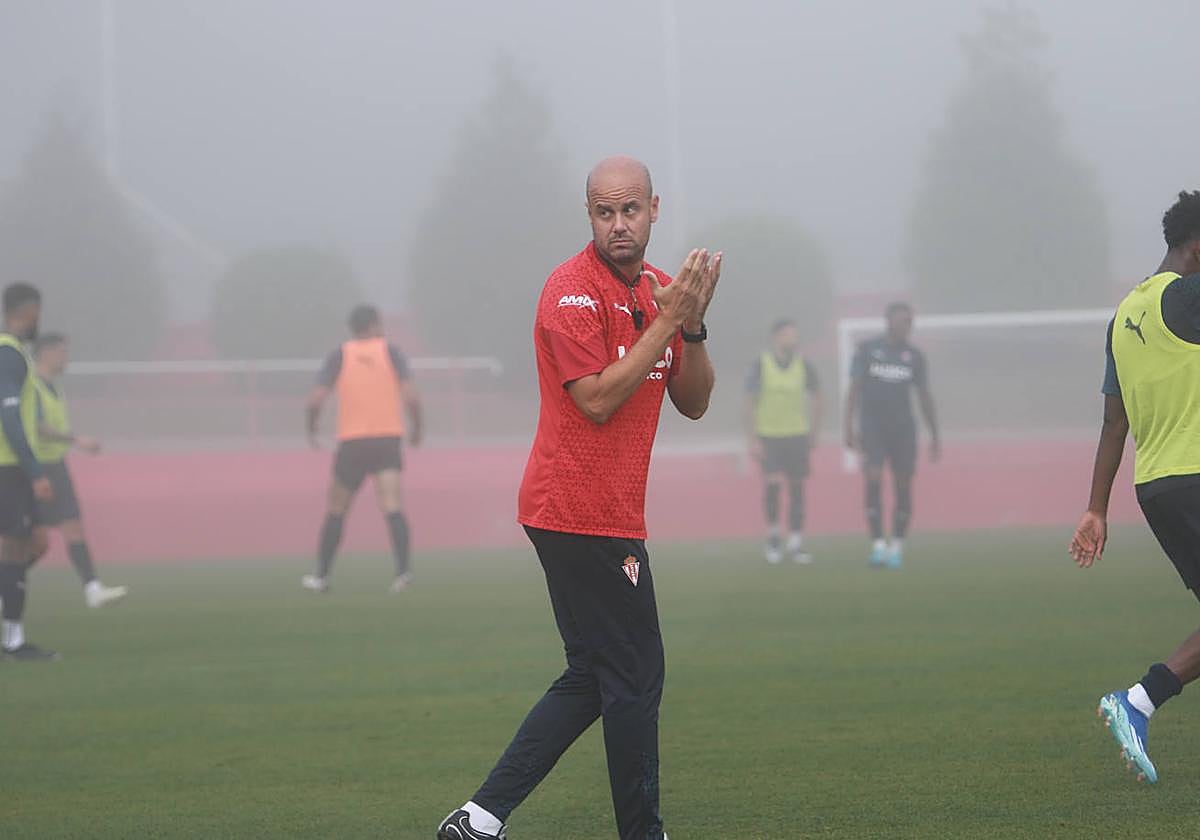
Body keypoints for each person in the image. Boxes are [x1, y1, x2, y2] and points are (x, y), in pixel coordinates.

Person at [438, 156, 720, 840]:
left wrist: (692, 326)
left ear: (655, 209)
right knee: (636, 671)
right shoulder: (568, 291)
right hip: (574, 509)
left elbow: (694, 402)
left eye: (630, 210)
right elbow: (594, 400)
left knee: (597, 673)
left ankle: (478, 818)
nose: (618, 225)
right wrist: (665, 320)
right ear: (588, 215)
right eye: (604, 212)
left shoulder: (660, 290)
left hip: (605, 511)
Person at [1071, 189, 1200, 785]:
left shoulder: (1124, 315)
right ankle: (1138, 700)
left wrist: (1096, 508)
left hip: (1156, 488)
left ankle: (1140, 703)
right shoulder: (1189, 295)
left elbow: (1112, 422)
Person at [302, 304, 423, 595]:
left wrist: (312, 430)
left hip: (353, 442)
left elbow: (315, 401)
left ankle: (321, 576)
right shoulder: (391, 353)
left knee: (337, 509)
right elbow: (411, 398)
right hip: (386, 439)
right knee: (392, 505)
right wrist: (417, 429)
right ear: (373, 325)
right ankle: (403, 573)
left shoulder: (340, 355)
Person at [27, 333, 128, 609]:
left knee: (73, 528)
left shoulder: (55, 386)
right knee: (36, 542)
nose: (65, 357)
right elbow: (37, 427)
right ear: (45, 353)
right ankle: (7, 586)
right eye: (61, 351)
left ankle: (93, 589)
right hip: (34, 470)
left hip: (56, 466)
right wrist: (76, 440)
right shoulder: (32, 386)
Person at [843, 302, 940, 569]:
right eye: (901, 321)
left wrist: (934, 434)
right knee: (873, 477)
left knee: (903, 484)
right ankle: (877, 545)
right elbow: (854, 389)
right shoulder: (867, 351)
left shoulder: (914, 356)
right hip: (873, 426)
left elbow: (924, 396)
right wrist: (848, 427)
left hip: (903, 429)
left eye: (909, 322)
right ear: (889, 322)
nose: (906, 326)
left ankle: (896, 546)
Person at [0, 283, 58, 661]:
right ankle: (14, 641)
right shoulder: (9, 354)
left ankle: (12, 636)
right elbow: (8, 415)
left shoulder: (16, 352)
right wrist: (35, 471)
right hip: (9, 467)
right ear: (29, 310)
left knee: (36, 543)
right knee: (14, 547)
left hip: (15, 466)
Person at [745, 318, 821, 564]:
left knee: (797, 487)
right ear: (776, 337)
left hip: (797, 434)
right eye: (788, 335)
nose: (793, 339)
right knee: (774, 484)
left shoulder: (804, 365)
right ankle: (774, 536)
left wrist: (814, 431)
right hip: (769, 436)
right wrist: (753, 438)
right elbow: (748, 403)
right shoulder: (762, 365)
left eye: (795, 335)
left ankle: (796, 543)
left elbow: (819, 397)